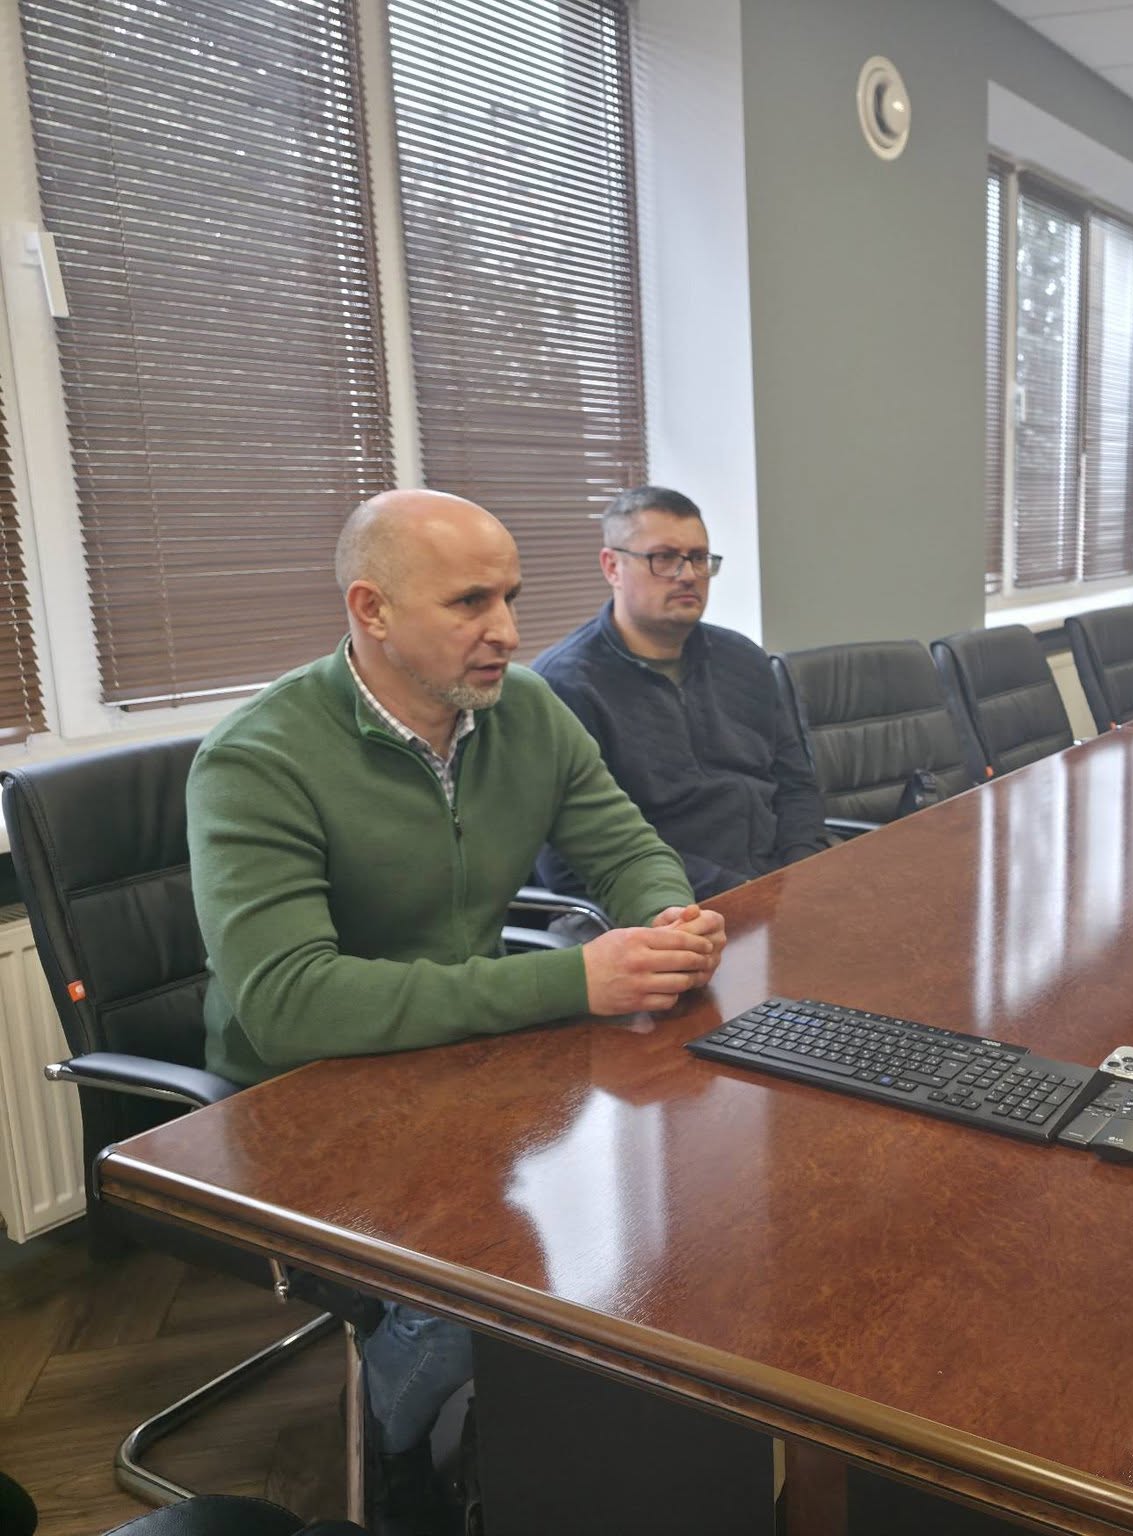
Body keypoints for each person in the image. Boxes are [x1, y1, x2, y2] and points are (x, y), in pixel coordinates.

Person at [189, 489, 727, 1535]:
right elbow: (289, 1003)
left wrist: (669, 914)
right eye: (470, 602)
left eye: (511, 597)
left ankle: (560, 1451)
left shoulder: (523, 710)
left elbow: (623, 845)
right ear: (372, 610)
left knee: (671, 1210)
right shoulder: (258, 757)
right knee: (491, 1287)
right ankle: (399, 1450)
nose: (508, 631)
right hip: (302, 1094)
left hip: (466, 1058)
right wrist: (569, 983)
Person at [533, 485, 829, 900]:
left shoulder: (743, 658)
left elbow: (795, 784)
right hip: (663, 904)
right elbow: (567, 861)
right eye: (665, 558)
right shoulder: (565, 685)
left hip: (775, 883)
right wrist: (740, 892)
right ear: (612, 567)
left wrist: (802, 868)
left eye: (699, 558)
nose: (688, 574)